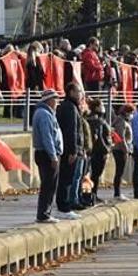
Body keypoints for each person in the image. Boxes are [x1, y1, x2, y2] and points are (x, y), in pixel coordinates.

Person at [32, 89, 63, 223]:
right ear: (50, 100)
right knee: (49, 185)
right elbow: (47, 137)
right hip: (47, 154)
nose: (57, 102)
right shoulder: (44, 114)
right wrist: (53, 156)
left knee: (49, 184)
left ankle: (45, 213)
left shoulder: (45, 113)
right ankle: (44, 214)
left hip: (45, 153)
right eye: (56, 99)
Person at [56, 83, 84, 219]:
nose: (81, 95)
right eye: (79, 91)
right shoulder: (70, 108)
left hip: (70, 149)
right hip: (69, 150)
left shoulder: (70, 106)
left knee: (68, 178)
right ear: (71, 92)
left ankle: (64, 205)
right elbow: (71, 131)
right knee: (66, 179)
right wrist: (73, 150)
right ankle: (64, 207)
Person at [87, 99, 112, 203]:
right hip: (99, 152)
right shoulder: (97, 120)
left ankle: (92, 195)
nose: (103, 107)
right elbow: (99, 138)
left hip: (96, 151)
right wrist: (106, 150)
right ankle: (92, 195)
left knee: (94, 174)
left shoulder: (97, 119)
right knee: (95, 174)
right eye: (101, 105)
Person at [111, 104, 134, 201]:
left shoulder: (121, 120)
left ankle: (118, 192)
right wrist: (126, 150)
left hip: (119, 149)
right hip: (120, 150)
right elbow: (121, 138)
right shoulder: (121, 121)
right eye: (131, 112)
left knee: (120, 171)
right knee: (119, 172)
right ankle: (117, 193)